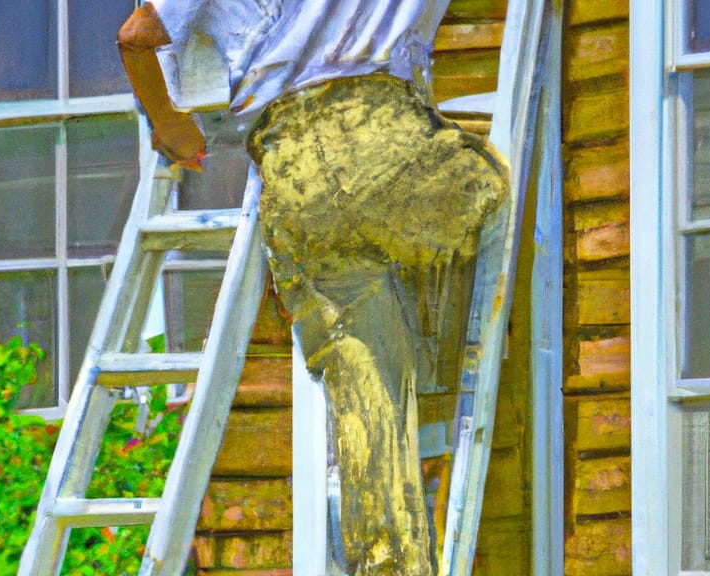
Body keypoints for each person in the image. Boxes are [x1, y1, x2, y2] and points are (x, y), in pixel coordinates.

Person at [118, 3, 508, 574]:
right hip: (384, 136)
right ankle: (439, 359)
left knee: (363, 387)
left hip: (292, 170)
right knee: (492, 185)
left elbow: (137, 36)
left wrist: (171, 124)